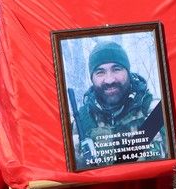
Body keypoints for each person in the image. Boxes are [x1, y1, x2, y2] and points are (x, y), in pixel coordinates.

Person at [70, 40, 165, 169]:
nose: (109, 79)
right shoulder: (78, 124)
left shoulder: (157, 113)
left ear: (128, 72)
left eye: (116, 69)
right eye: (100, 72)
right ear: (92, 78)